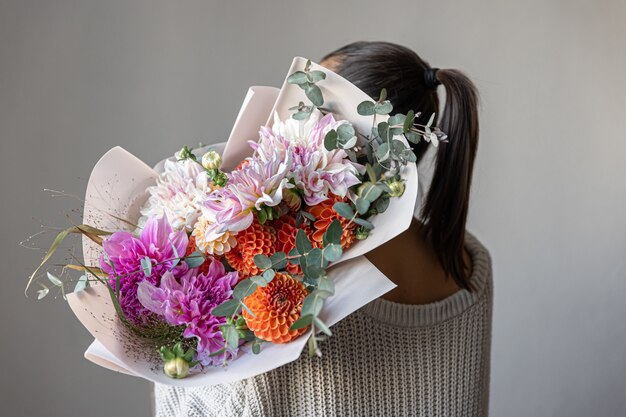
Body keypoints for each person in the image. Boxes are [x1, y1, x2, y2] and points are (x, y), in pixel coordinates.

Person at [153, 41, 493, 417]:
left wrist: (165, 319)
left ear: (340, 139)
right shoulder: (470, 267)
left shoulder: (289, 289)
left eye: (301, 113)